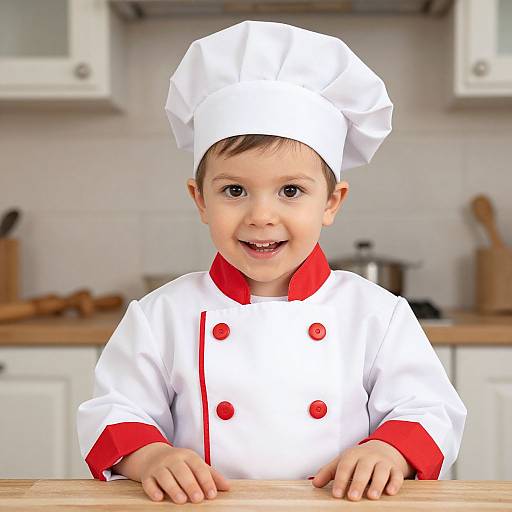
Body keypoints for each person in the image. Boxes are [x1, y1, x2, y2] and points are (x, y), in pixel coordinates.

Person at [77, 20, 467, 505]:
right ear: (200, 200)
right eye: (234, 190)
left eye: (291, 191)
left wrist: (389, 451)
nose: (262, 216)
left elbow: (430, 409)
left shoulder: (377, 313)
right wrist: (152, 456)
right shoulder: (159, 315)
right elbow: (114, 413)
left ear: (331, 202)